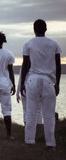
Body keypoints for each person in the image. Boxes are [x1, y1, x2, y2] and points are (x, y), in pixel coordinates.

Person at [21, 19, 61, 148]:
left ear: (34, 29)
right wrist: (58, 83)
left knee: (31, 111)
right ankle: (50, 143)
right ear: (46, 29)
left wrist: (22, 83)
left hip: (32, 79)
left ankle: (29, 141)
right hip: (49, 81)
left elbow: (25, 65)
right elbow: (58, 65)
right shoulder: (54, 44)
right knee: (49, 114)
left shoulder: (28, 43)